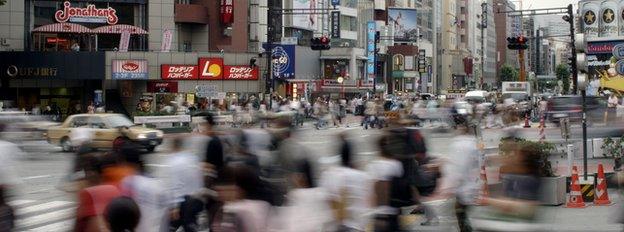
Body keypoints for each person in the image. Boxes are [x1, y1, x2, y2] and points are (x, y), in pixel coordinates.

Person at [320, 132, 372, 232]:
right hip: (357, 227)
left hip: (335, 226)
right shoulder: (363, 176)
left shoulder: (328, 175)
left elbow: (325, 201)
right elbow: (369, 204)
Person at [440, 118, 480, 232]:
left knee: (461, 213)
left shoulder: (458, 144)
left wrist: (450, 185)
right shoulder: (475, 142)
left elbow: (457, 167)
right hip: (473, 184)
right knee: (463, 212)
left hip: (463, 186)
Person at [211, 165, 271, 232]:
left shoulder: (232, 210)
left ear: (238, 189)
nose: (216, 188)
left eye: (223, 183)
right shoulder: (261, 205)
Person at [74, 152, 122, 232]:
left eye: (87, 170)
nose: (86, 175)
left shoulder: (88, 193)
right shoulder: (114, 188)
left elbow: (93, 226)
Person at [165, 137, 204, 232]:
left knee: (169, 227)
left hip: (183, 203)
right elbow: (199, 178)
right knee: (190, 226)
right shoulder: (192, 158)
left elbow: (176, 185)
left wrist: (175, 207)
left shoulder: (174, 161)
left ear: (173, 146)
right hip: (196, 199)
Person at [367, 135, 404, 231]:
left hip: (378, 214)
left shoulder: (372, 166)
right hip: (393, 213)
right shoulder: (397, 165)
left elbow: (373, 193)